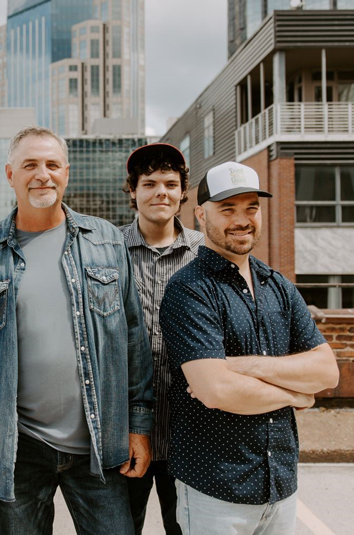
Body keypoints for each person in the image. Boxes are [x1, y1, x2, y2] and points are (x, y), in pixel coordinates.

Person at [0, 126, 154, 535]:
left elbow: (133, 339)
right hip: (17, 448)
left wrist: (139, 426)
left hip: (99, 443)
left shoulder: (106, 241)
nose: (43, 174)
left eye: (52, 164)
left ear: (66, 173)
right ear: (10, 175)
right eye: (30, 165)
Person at [159, 162, 340, 535]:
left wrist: (241, 366)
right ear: (200, 213)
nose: (242, 220)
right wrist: (296, 394)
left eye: (251, 207)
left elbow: (326, 371)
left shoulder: (278, 285)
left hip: (281, 485)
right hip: (215, 490)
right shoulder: (189, 289)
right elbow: (216, 389)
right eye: (227, 209)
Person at [120, 143, 204, 535]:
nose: (161, 193)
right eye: (149, 183)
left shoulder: (207, 254)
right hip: (123, 435)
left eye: (171, 184)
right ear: (133, 190)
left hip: (191, 435)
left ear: (183, 192)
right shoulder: (107, 252)